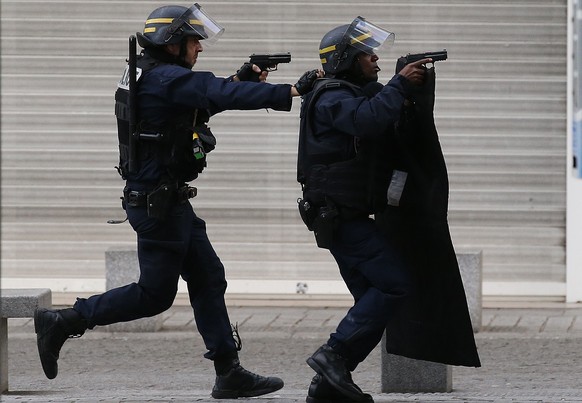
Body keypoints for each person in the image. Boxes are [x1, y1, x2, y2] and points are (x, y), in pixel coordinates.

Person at [33, 3, 318, 399]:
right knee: (154, 295)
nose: (199, 48)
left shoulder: (151, 74)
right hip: (158, 205)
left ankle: (228, 371)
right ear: (171, 44)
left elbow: (198, 102)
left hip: (166, 200)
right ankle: (64, 320)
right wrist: (289, 90)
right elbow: (209, 92)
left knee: (208, 277)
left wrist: (240, 78)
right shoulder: (164, 78)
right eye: (193, 41)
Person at [296, 17, 481, 402]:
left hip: (348, 217)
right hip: (341, 219)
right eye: (368, 54)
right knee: (393, 286)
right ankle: (331, 357)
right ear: (347, 59)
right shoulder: (332, 97)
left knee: (373, 303)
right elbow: (369, 120)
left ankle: (328, 383)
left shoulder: (350, 91)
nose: (375, 60)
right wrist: (398, 83)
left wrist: (407, 82)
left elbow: (387, 111)